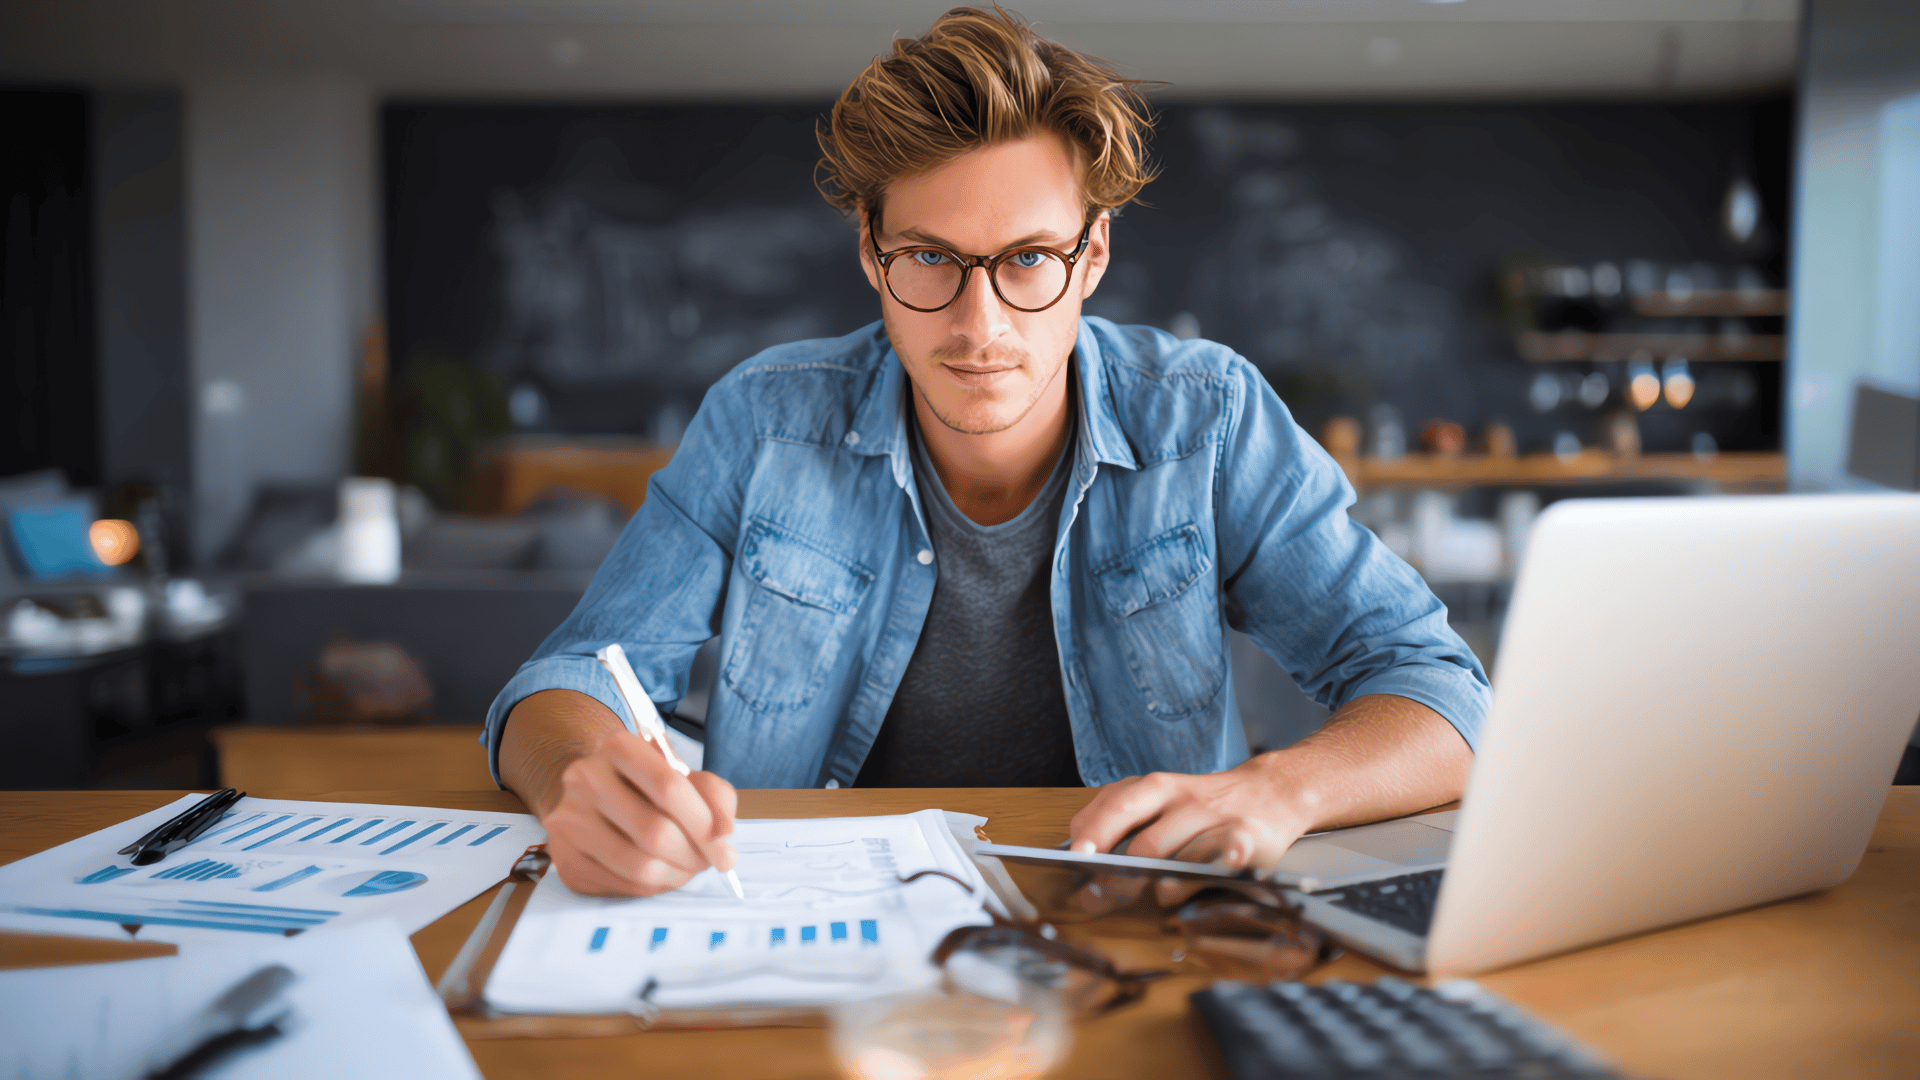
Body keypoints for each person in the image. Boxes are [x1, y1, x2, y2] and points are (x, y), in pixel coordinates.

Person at [486, 7, 1490, 902]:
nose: (980, 324)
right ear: (872, 253)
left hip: (1141, 918)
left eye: (1028, 261)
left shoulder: (1208, 417)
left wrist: (1281, 789)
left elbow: (1440, 689)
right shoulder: (762, 420)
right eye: (929, 258)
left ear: (1092, 255)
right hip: (802, 921)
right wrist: (584, 776)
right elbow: (568, 681)